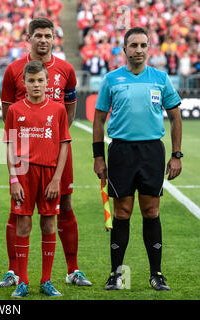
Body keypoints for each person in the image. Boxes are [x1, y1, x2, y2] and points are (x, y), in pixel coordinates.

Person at [0, 17, 91, 288]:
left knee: (64, 206)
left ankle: (72, 270)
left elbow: (68, 111)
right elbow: (9, 116)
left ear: (54, 38)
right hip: (24, 156)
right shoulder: (14, 70)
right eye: (37, 35)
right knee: (19, 211)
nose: (43, 40)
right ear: (29, 38)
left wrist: (53, 137)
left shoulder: (65, 69)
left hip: (55, 151)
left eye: (47, 35)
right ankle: (14, 272)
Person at [93, 27, 182, 291]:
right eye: (133, 45)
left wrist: (176, 155)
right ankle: (115, 274)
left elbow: (176, 117)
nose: (139, 50)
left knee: (151, 211)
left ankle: (157, 273)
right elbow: (98, 119)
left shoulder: (161, 78)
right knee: (122, 212)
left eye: (143, 45)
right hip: (121, 152)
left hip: (152, 152)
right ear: (124, 50)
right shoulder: (111, 79)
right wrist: (99, 156)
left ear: (149, 48)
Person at [4, 60, 71, 298]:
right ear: (23, 83)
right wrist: (13, 179)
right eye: (31, 81)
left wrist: (57, 180)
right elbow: (11, 146)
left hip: (49, 174)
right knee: (23, 225)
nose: (36, 85)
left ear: (47, 82)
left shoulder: (58, 110)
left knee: (49, 224)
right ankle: (23, 281)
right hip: (23, 174)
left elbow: (64, 145)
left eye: (40, 80)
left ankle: (46, 281)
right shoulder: (14, 110)